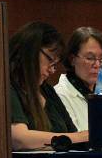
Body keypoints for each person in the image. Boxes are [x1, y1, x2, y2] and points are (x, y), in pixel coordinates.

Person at [10, 22, 89, 151]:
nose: (52, 70)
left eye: (55, 64)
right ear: (31, 50)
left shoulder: (47, 90)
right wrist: (83, 136)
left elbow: (73, 134)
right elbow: (19, 138)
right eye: (50, 60)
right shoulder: (8, 86)